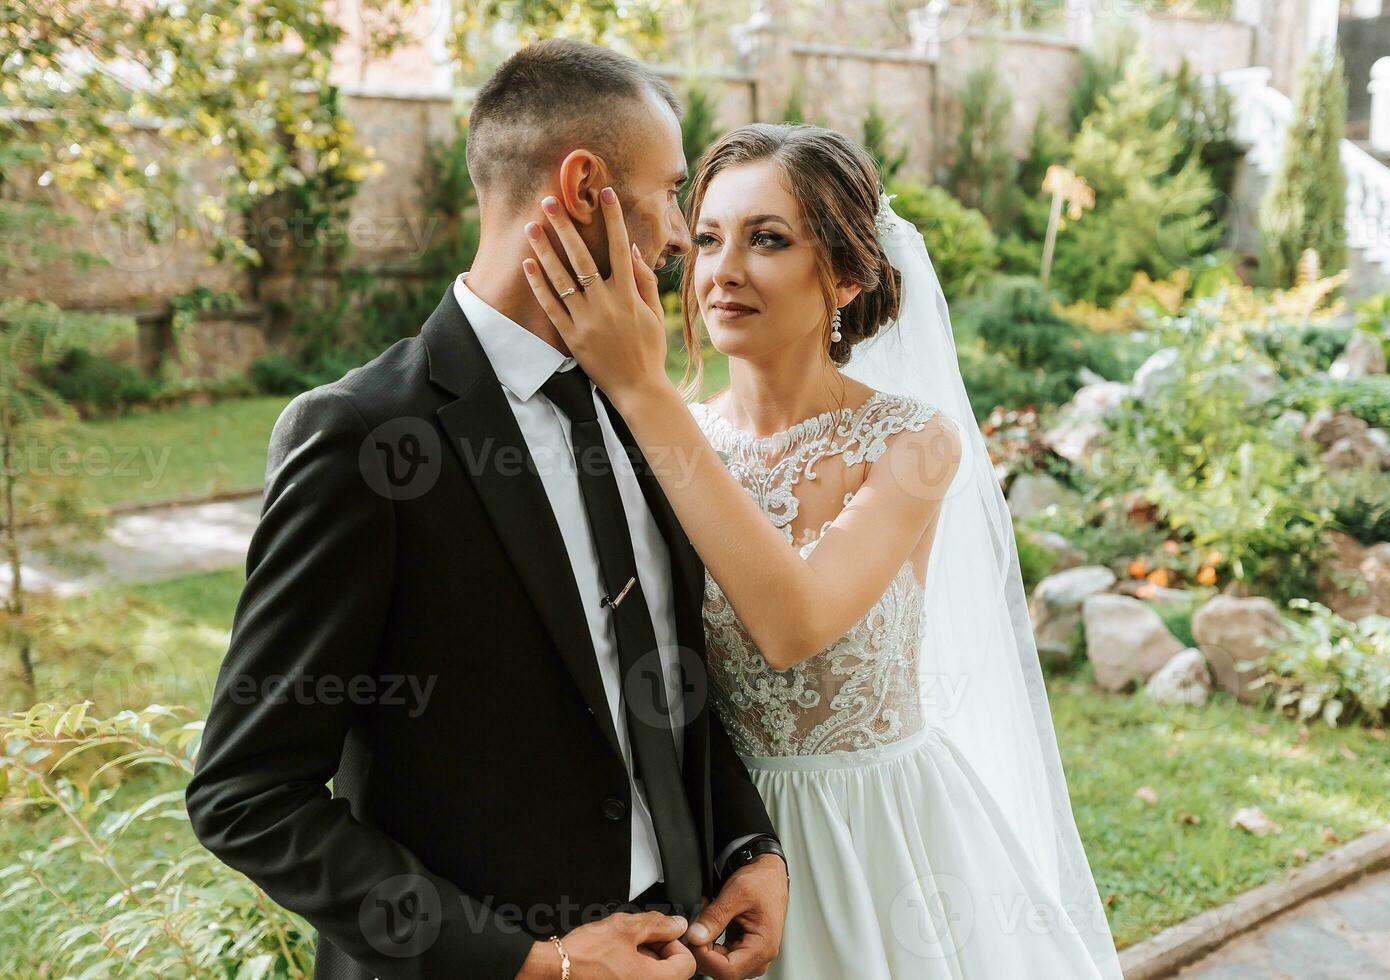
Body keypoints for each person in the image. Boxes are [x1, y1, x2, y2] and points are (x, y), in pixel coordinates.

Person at [185, 39, 788, 980]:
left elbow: (666, 675)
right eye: (668, 192)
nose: (678, 235)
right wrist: (536, 962)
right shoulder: (364, 438)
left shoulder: (636, 398)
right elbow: (247, 794)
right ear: (584, 186)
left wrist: (749, 849)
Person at [522, 121, 1125, 978]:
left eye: (767, 239)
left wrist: (639, 385)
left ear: (843, 275)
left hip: (873, 840)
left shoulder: (912, 445)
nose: (722, 270)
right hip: (705, 837)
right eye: (706, 238)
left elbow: (793, 624)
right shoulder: (664, 439)